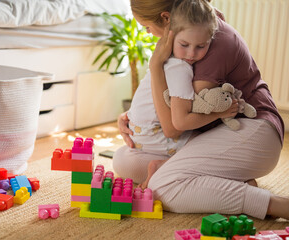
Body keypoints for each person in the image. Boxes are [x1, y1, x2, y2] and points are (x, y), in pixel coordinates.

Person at [113, 0, 287, 220]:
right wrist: (133, 116)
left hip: (252, 130)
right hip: (214, 133)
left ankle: (276, 204)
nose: (149, 34)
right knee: (124, 160)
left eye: (147, 27)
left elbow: (173, 127)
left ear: (166, 18)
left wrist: (155, 65)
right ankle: (228, 180)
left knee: (160, 188)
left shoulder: (206, 43)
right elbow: (166, 101)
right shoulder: (191, 33)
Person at [127, 0, 237, 189]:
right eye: (185, 44)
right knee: (206, 150)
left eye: (201, 46)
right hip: (153, 133)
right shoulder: (180, 67)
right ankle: (162, 169)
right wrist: (219, 113)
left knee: (124, 161)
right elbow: (178, 125)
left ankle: (162, 169)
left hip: (140, 131)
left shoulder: (169, 55)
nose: (192, 54)